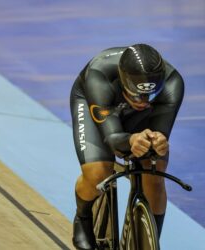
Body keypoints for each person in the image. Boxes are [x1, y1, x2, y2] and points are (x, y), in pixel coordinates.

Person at [70, 43, 184, 249]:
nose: (142, 100)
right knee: (98, 172)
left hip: (142, 112)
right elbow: (112, 138)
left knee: (155, 170)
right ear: (123, 81)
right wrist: (130, 140)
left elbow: (160, 132)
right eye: (136, 93)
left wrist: (158, 140)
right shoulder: (99, 76)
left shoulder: (172, 82)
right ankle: (83, 217)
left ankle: (151, 239)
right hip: (98, 103)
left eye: (149, 93)